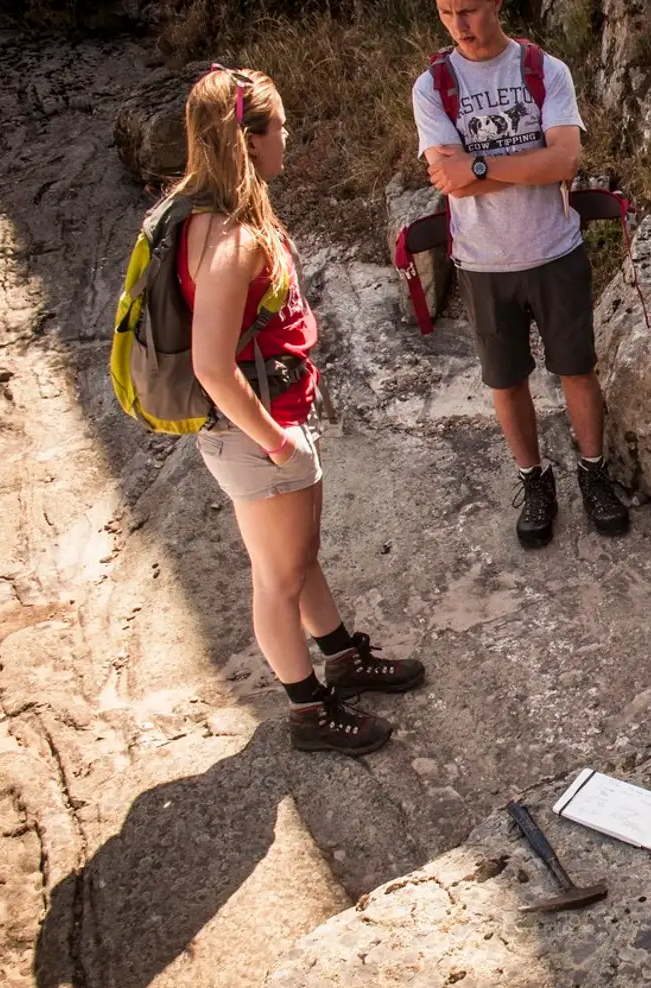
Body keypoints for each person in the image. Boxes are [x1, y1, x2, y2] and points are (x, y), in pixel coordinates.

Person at [178, 67, 424, 755]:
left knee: (296, 556)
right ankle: (308, 708)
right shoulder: (231, 238)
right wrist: (279, 443)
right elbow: (209, 364)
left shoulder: (213, 214)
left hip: (263, 426)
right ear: (250, 138)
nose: (288, 136)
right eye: (279, 126)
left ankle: (341, 656)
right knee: (278, 577)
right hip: (257, 435)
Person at [413, 0, 628, 548]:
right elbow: (450, 182)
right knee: (506, 381)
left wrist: (479, 165)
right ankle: (535, 482)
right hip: (484, 262)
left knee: (577, 369)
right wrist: (528, 162)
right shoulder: (433, 86)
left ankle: (593, 473)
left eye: (469, 9)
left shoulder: (545, 70)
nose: (459, 24)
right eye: (445, 12)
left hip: (555, 251)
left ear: (497, 4)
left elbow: (564, 162)